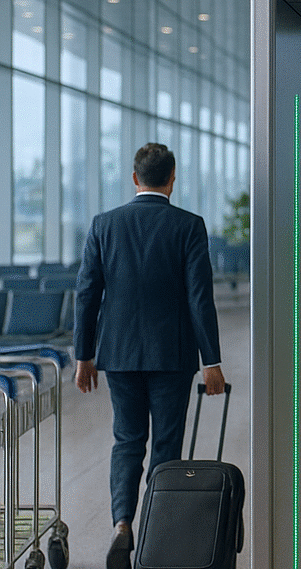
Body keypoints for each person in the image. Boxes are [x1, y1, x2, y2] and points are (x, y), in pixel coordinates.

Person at [74, 143, 226, 569]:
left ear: (134, 178)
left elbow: (87, 295)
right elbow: (200, 298)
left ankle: (122, 523)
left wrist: (84, 355)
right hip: (172, 356)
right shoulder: (189, 225)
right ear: (172, 178)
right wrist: (211, 361)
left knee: (127, 439)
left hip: (118, 354)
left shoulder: (105, 225)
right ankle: (157, 533)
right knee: (166, 445)